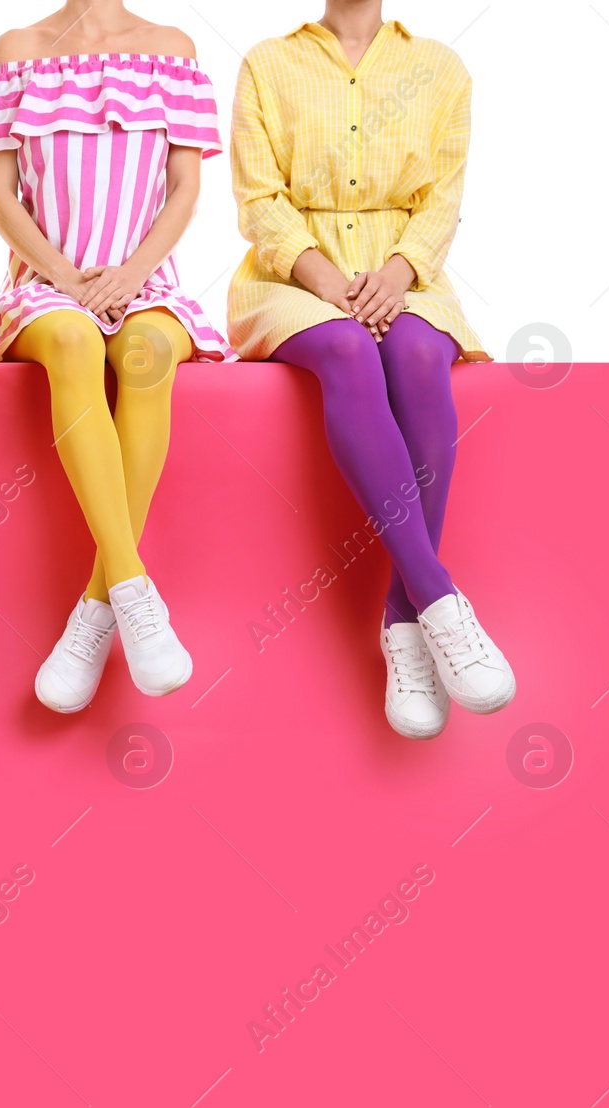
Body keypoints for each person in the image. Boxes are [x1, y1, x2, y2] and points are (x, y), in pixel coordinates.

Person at [227, 1, 515, 739]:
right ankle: (439, 597)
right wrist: (332, 284)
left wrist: (394, 275)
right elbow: (260, 201)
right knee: (351, 348)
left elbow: (441, 200)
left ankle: (402, 621)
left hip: (404, 275)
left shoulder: (441, 68)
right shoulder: (267, 62)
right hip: (292, 278)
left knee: (418, 352)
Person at [0, 1, 232, 713]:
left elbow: (184, 190)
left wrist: (126, 275)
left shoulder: (171, 47)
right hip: (45, 283)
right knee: (74, 338)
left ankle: (97, 607)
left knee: (146, 350)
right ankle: (132, 585)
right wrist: (66, 277)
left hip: (146, 282)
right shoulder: (15, 48)